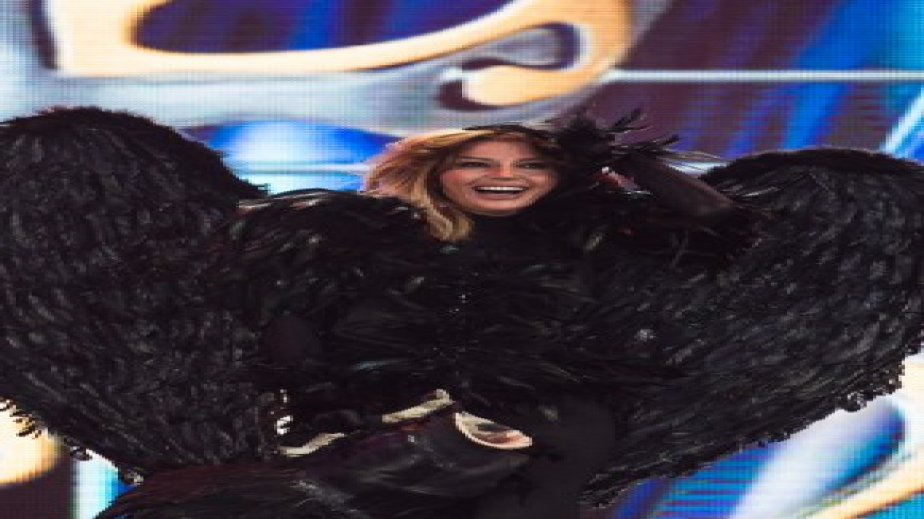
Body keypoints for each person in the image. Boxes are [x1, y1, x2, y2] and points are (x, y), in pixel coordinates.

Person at [1, 107, 923, 518]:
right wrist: (316, 410)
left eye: (527, 164)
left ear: (558, 179)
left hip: (538, 428)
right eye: (478, 162)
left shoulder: (599, 245)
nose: (502, 174)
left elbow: (724, 232)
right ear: (435, 173)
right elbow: (291, 321)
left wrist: (627, 162)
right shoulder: (347, 238)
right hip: (371, 433)